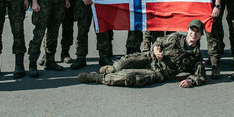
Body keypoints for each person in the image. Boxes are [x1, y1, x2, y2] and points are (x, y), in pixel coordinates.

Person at [77, 20, 207, 88]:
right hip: (150, 58)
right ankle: (112, 69)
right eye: (192, 30)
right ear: (188, 30)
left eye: (197, 32)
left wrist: (190, 81)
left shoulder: (196, 57)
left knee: (129, 77)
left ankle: (96, 78)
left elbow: (200, 76)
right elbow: (159, 41)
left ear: (201, 35)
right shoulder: (176, 37)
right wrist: (156, 49)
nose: (193, 34)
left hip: (158, 72)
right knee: (122, 64)